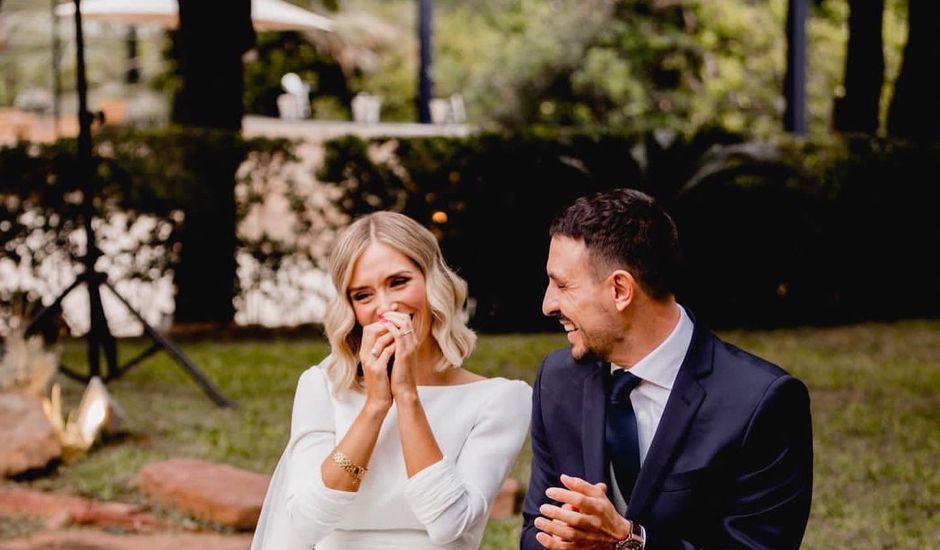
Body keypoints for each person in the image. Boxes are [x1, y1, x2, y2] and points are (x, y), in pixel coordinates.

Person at [522, 189, 813, 550]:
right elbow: (537, 529)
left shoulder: (761, 403)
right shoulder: (558, 379)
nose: (548, 305)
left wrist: (631, 542)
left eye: (563, 285)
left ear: (620, 289)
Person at [252, 211, 531, 550]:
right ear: (350, 308)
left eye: (398, 282)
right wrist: (375, 405)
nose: (385, 306)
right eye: (363, 295)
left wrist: (406, 395)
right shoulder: (322, 388)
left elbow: (448, 523)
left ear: (432, 282)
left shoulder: (500, 400)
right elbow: (305, 524)